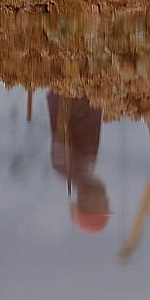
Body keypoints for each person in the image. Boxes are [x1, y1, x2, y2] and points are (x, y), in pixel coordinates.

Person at [48, 93, 110, 234]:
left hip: (75, 86)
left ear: (89, 204)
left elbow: (60, 109)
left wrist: (70, 86)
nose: (105, 197)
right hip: (88, 87)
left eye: (103, 203)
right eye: (106, 203)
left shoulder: (67, 166)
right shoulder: (85, 168)